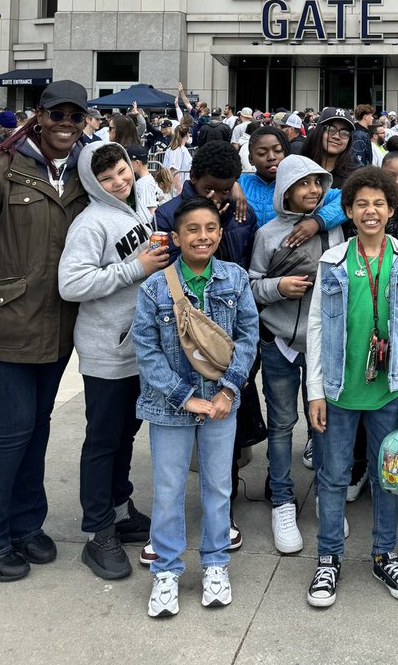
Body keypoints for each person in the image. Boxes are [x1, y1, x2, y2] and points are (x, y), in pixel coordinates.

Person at [0, 80, 91, 581]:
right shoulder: (2, 167)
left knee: (36, 430)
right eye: (57, 115)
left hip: (55, 330)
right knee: (11, 431)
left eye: (76, 116)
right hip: (0, 324)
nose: (65, 125)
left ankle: (25, 526)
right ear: (38, 116)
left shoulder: (83, 174)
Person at [305, 167, 398, 608]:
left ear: (391, 209)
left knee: (387, 478)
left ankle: (384, 553)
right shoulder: (332, 262)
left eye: (379, 203)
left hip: (390, 392)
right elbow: (316, 327)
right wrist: (315, 391)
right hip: (339, 391)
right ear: (349, 211)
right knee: (333, 476)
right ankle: (329, 557)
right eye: (362, 204)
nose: (370, 211)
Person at [132, 198, 259, 617]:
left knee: (218, 487)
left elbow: (246, 337)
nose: (202, 236)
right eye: (192, 229)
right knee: (168, 490)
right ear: (177, 236)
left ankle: (215, 564)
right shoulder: (154, 287)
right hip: (170, 406)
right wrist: (185, 396)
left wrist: (226, 391)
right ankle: (166, 570)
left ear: (220, 234)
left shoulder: (235, 279)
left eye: (210, 228)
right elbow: (146, 350)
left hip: (222, 404)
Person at [58, 142, 169, 580]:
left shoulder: (136, 209)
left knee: (125, 432)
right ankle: (97, 530)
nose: (119, 181)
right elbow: (71, 283)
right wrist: (136, 269)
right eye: (107, 179)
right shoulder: (90, 223)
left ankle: (120, 509)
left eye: (122, 171)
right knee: (103, 439)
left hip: (139, 347)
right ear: (92, 184)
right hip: (107, 349)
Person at [249, 156, 345, 555]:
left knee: (323, 424)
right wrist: (277, 288)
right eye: (304, 184)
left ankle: (327, 496)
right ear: (285, 189)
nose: (314, 191)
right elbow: (252, 285)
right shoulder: (268, 234)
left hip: (326, 345)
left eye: (318, 183)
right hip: (280, 345)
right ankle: (283, 501)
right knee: (283, 423)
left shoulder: (336, 227)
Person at [156, 142, 258, 269]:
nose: (215, 197)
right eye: (209, 189)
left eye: (225, 190)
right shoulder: (166, 215)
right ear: (193, 177)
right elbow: (168, 266)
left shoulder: (243, 213)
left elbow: (251, 262)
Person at [301, 107, 358, 188]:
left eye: (344, 133)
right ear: (319, 131)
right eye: (331, 129)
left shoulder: (354, 178)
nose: (337, 136)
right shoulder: (300, 170)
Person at [163, 124, 192, 195]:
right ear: (187, 134)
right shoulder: (180, 150)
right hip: (177, 190)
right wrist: (179, 190)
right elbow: (174, 170)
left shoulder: (171, 149)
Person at [349, 103, 376, 168]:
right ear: (365, 117)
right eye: (371, 115)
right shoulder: (360, 135)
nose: (372, 118)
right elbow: (356, 159)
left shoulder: (361, 132)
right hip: (361, 174)